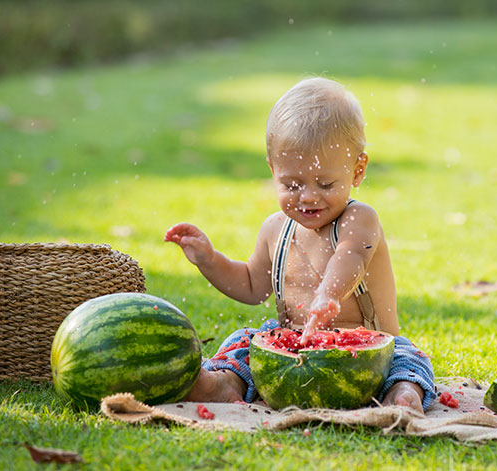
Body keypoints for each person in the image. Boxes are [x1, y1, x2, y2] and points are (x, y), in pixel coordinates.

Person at [164, 77, 435, 413]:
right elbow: (250, 285)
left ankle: (403, 395)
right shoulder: (275, 229)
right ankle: (224, 383)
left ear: (358, 170)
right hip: (293, 358)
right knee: (243, 341)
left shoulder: (359, 219)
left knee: (410, 360)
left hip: (371, 359)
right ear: (272, 169)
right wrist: (209, 260)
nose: (307, 196)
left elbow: (350, 257)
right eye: (291, 184)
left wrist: (329, 295)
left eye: (325, 183)